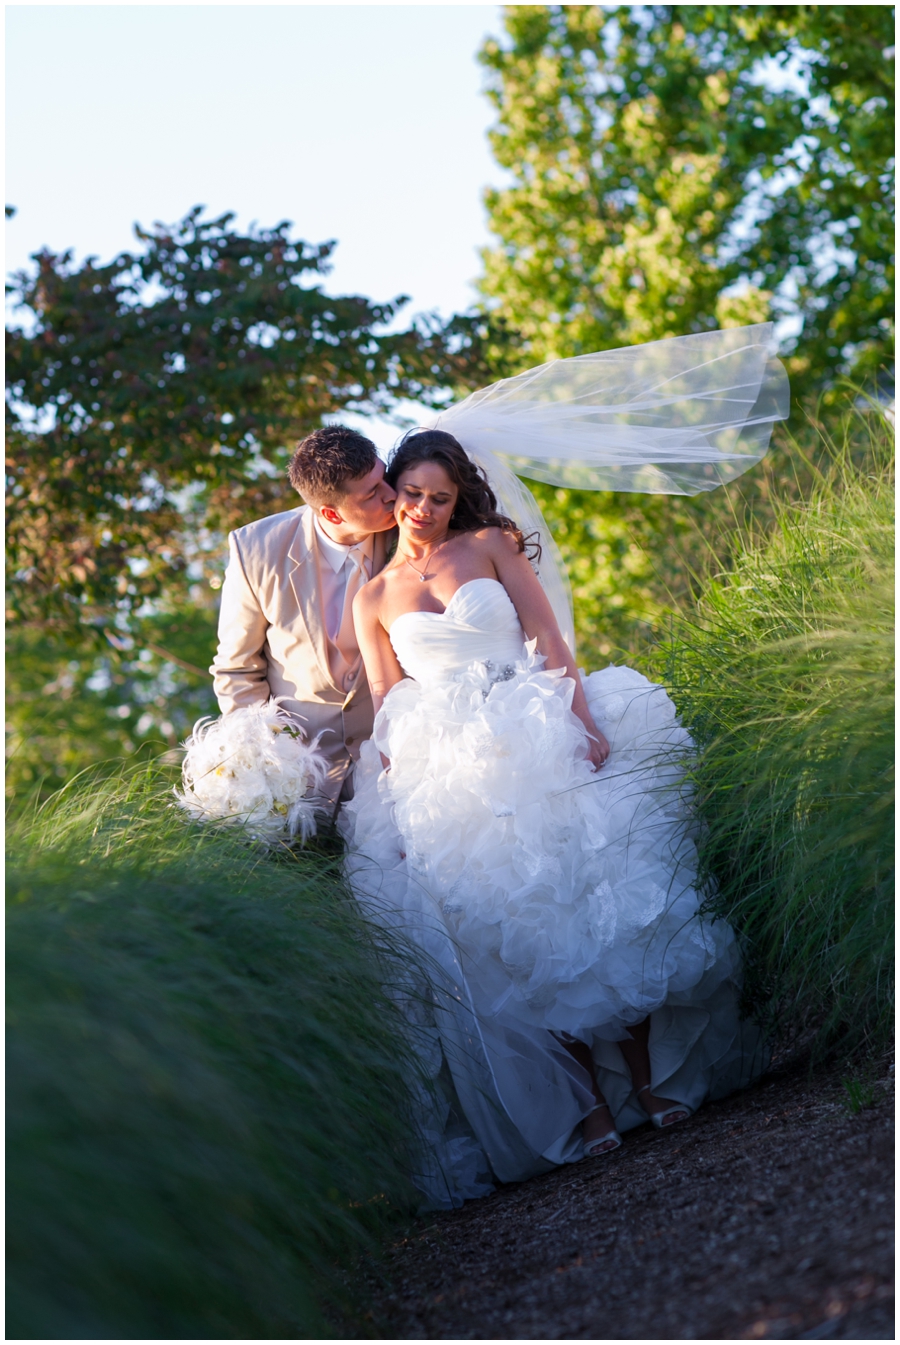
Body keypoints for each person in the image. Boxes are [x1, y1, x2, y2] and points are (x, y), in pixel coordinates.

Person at [340, 429, 767, 1209]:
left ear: (457, 494)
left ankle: (648, 1079)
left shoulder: (492, 544)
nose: (425, 510)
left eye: (439, 496)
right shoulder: (372, 596)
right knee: (516, 932)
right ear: (392, 492)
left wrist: (581, 717)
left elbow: (546, 634)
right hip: (455, 768)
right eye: (412, 495)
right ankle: (591, 1107)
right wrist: (399, 791)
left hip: (537, 727)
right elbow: (387, 698)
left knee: (590, 908)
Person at [210, 424, 397, 807]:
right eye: (372, 493)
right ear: (331, 512)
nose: (392, 496)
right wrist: (268, 768)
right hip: (301, 779)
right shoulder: (256, 550)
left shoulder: (410, 533)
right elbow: (237, 670)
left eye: (384, 477)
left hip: (396, 766)